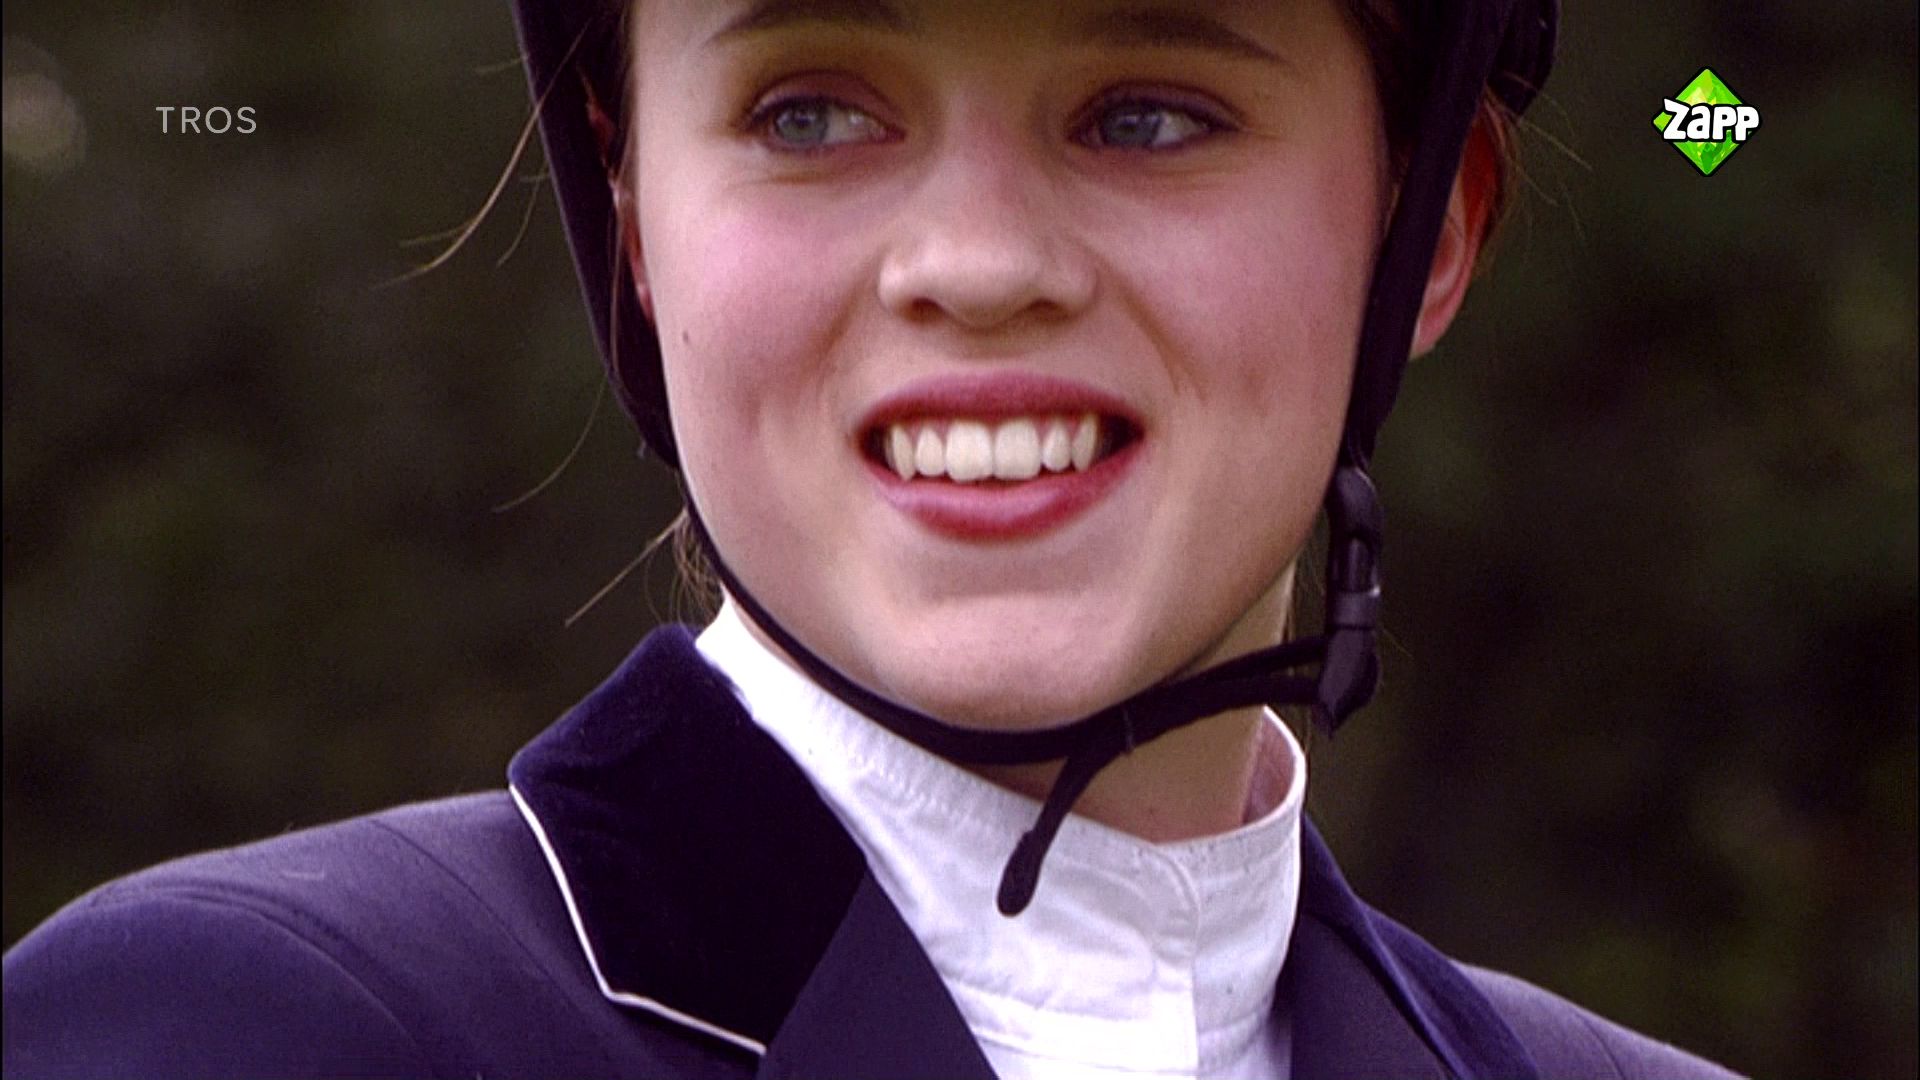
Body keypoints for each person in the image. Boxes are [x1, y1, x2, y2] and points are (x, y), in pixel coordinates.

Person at [3, 1, 1742, 1077]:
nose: (976, 267)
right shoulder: (252, 1028)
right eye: (811, 113)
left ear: (1432, 226)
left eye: (1149, 114)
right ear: (635, 218)